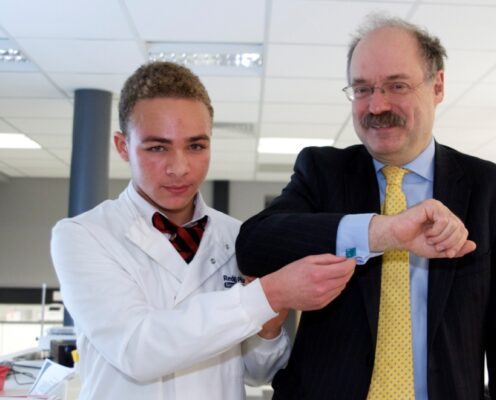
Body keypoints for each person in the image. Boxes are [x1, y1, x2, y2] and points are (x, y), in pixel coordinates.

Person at [235, 15, 496, 400]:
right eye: (363, 89)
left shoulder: (494, 193)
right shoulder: (323, 173)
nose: (377, 104)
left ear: (437, 85)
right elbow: (252, 245)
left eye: (396, 86)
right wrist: (379, 232)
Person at [50, 61, 358, 400]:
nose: (179, 167)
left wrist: (270, 327)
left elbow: (258, 372)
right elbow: (137, 349)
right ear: (123, 146)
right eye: (157, 147)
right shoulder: (84, 235)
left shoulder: (236, 237)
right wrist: (269, 295)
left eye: (196, 146)